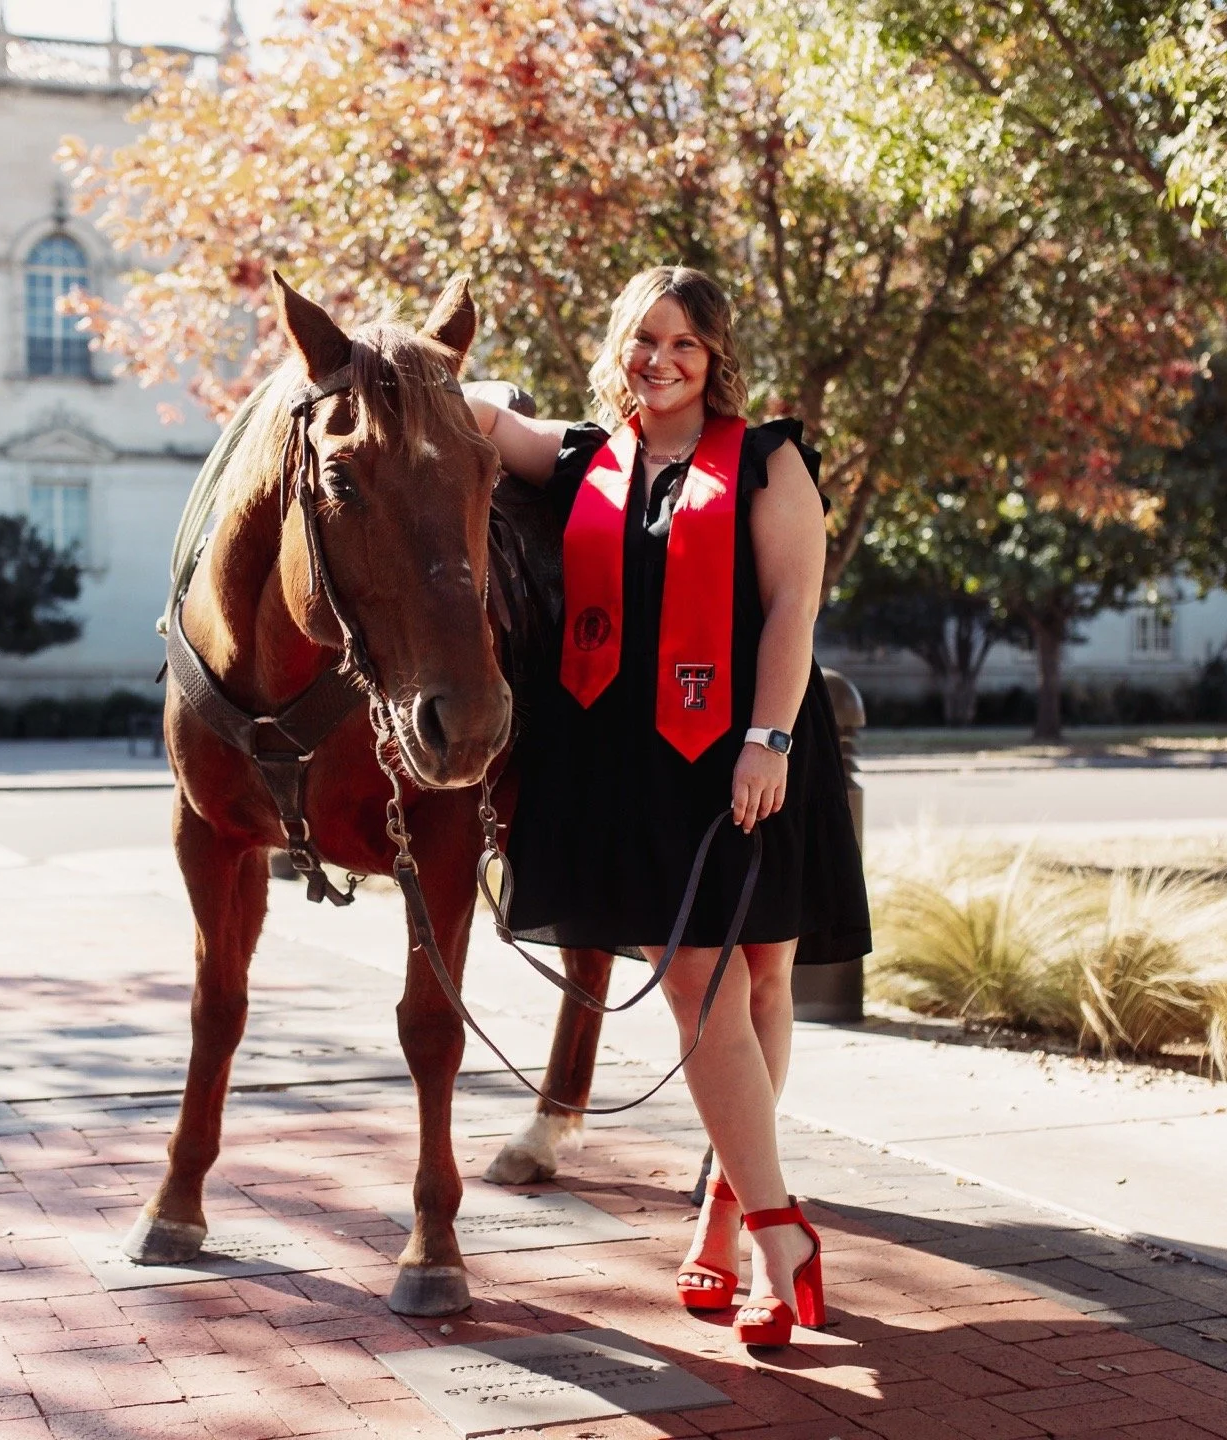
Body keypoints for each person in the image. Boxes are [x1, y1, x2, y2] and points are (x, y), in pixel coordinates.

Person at [466, 266, 872, 1347]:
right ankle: (782, 1223)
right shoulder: (585, 459)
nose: (662, 359)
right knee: (701, 980)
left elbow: (794, 604)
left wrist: (769, 740)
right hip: (627, 762)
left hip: (749, 745)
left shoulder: (767, 459)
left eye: (685, 342)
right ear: (619, 345)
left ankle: (728, 1214)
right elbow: (465, 409)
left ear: (715, 357)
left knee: (760, 975)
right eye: (644, 337)